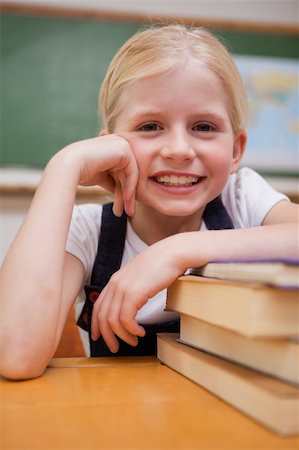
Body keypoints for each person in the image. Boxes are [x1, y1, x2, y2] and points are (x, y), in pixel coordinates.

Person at [0, 24, 298, 380]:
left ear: (235, 151)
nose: (179, 150)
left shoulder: (241, 197)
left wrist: (178, 250)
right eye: (150, 126)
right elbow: (15, 356)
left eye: (203, 127)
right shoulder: (88, 231)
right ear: (108, 148)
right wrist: (63, 168)